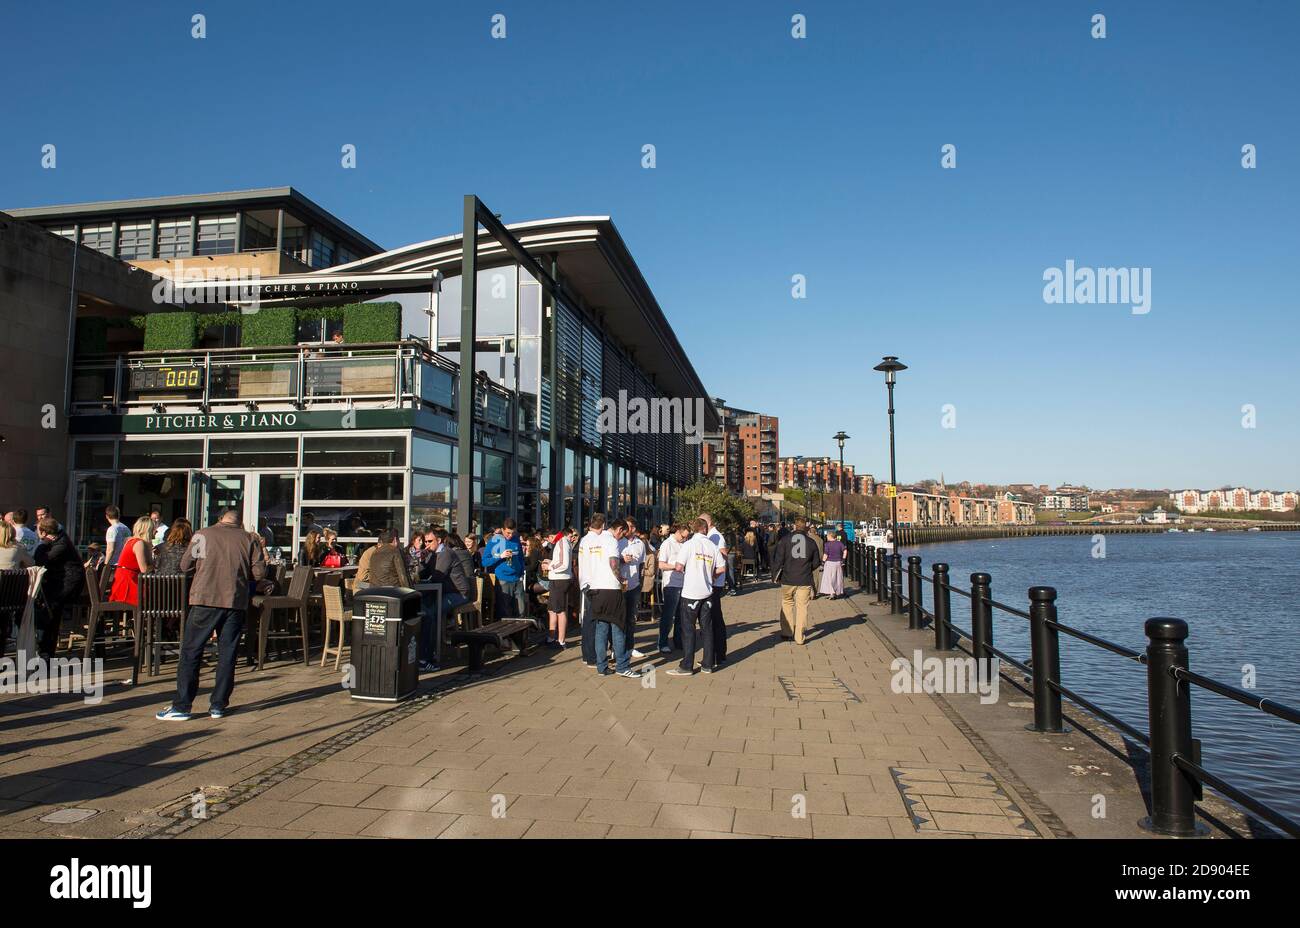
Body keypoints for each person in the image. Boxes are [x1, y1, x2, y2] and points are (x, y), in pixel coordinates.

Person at [155, 509, 268, 721]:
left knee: (191, 651)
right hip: (234, 601)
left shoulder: (202, 534)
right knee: (228, 654)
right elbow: (259, 574)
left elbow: (184, 565)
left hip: (204, 599)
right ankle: (218, 705)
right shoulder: (249, 539)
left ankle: (182, 706)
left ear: (220, 519)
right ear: (240, 523)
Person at [665, 518, 727, 676]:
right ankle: (707, 664)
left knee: (688, 629)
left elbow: (678, 566)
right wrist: (711, 576)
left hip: (691, 592)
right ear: (705, 529)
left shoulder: (689, 545)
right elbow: (722, 567)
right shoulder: (713, 546)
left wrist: (686, 569)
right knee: (707, 629)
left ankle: (687, 665)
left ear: (694, 529)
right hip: (707, 593)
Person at [578, 514, 635, 676]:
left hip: (594, 587)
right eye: (622, 534)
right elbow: (612, 563)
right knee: (618, 627)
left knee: (601, 629)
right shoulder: (610, 540)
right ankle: (622, 667)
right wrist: (621, 578)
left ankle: (601, 666)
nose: (621, 537)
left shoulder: (592, 539)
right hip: (609, 589)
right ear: (618, 529)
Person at [32, 517, 82, 658]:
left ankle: (45, 652)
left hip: (66, 584)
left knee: (48, 613)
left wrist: (42, 542)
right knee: (48, 612)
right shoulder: (59, 539)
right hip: (58, 582)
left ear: (43, 532)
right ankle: (45, 650)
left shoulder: (61, 544)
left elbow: (41, 560)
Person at [772, 518, 822, 645]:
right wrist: (808, 568)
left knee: (787, 604)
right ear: (805, 527)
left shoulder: (785, 540)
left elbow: (778, 560)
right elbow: (817, 562)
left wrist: (775, 575)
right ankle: (799, 636)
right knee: (802, 607)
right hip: (804, 578)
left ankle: (787, 632)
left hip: (788, 578)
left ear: (794, 526)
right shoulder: (811, 542)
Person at [699, 513, 730, 662]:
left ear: (706, 523)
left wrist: (713, 576)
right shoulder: (712, 536)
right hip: (713, 582)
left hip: (714, 584)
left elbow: (723, 556)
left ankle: (717, 654)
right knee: (714, 618)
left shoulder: (715, 536)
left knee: (714, 619)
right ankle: (717, 654)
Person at [482, 519, 526, 620]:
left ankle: (518, 634)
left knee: (521, 611)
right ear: (502, 529)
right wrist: (500, 556)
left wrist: (521, 573)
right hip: (503, 579)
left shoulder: (516, 539)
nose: (510, 535)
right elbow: (484, 561)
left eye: (512, 533)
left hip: (517, 578)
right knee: (505, 611)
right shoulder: (494, 540)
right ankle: (506, 634)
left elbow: (520, 558)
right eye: (508, 533)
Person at [656, 522, 689, 654]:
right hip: (671, 584)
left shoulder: (685, 544)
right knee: (668, 616)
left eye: (687, 537)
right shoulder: (667, 544)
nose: (684, 539)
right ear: (677, 532)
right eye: (683, 536)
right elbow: (661, 565)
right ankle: (662, 642)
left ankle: (678, 641)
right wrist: (675, 566)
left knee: (681, 615)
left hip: (684, 583)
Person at [108, 516, 154, 606]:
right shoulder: (139, 543)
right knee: (156, 596)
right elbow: (145, 570)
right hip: (128, 584)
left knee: (155, 594)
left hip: (124, 582)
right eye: (153, 529)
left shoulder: (132, 541)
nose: (155, 532)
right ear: (147, 530)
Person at [618, 519, 647, 658]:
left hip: (634, 585)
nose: (629, 529)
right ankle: (616, 648)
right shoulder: (618, 541)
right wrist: (623, 560)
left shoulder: (640, 543)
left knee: (631, 618)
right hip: (619, 585)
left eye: (632, 526)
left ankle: (630, 647)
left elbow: (642, 564)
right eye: (627, 526)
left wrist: (641, 582)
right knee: (618, 619)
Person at [542, 526, 574, 649]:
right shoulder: (562, 542)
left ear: (552, 536)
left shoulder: (562, 542)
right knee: (552, 609)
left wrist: (549, 566)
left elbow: (563, 564)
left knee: (560, 611)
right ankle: (551, 637)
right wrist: (550, 562)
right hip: (557, 579)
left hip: (560, 580)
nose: (549, 541)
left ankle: (561, 641)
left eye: (548, 538)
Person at [820, 529, 846, 599]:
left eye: (827, 536)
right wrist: (843, 560)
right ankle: (837, 592)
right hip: (838, 562)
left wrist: (822, 563)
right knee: (837, 578)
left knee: (829, 579)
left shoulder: (827, 544)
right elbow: (845, 551)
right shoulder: (840, 543)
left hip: (829, 563)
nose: (826, 537)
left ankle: (832, 593)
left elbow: (825, 554)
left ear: (830, 536)